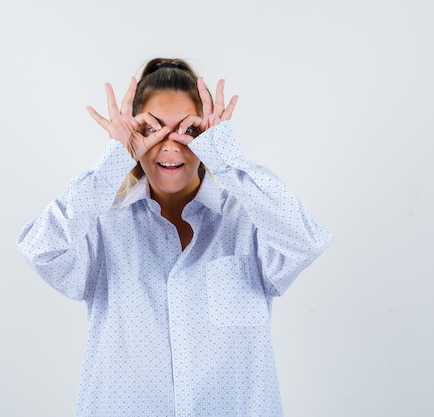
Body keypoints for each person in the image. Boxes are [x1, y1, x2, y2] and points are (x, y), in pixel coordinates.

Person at [17, 58, 332, 417]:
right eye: (152, 131)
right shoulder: (103, 224)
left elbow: (306, 241)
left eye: (188, 131)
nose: (171, 145)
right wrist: (113, 162)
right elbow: (40, 250)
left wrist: (227, 159)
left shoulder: (249, 219)